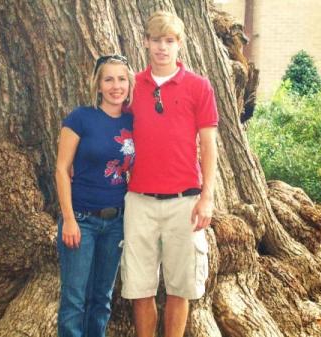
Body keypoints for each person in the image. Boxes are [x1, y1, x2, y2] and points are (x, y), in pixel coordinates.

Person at [121, 11, 219, 337]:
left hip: (185, 201)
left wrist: (207, 198)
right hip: (139, 200)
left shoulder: (199, 86)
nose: (162, 47)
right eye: (156, 40)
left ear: (179, 45)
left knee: (181, 286)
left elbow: (208, 146)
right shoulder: (132, 85)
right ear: (145, 42)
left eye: (169, 41)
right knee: (139, 287)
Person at [56, 54, 135, 337]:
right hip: (81, 220)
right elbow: (62, 170)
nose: (116, 85)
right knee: (74, 300)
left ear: (129, 83)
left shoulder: (132, 120)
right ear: (98, 85)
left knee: (102, 298)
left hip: (116, 223)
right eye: (109, 79)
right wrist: (68, 219)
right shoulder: (81, 118)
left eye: (122, 79)